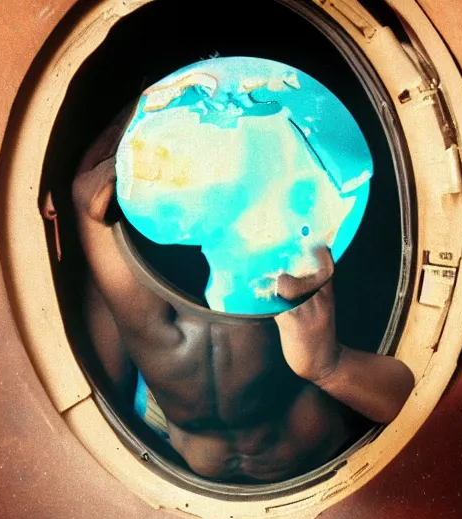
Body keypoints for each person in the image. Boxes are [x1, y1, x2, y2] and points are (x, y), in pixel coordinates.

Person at [71, 111, 414, 484]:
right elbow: (103, 393)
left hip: (289, 450)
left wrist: (326, 365)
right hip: (192, 457)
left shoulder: (294, 267)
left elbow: (410, 401)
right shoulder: (123, 263)